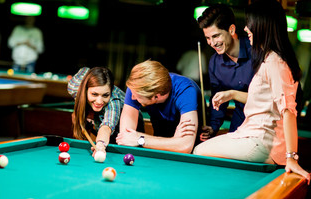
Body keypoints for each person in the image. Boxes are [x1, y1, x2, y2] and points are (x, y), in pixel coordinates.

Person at [193, 0, 310, 183]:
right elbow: (263, 99)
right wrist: (229, 97)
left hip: (260, 140)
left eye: (251, 24)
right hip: (248, 133)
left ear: (263, 26)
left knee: (198, 151)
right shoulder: (267, 58)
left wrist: (291, 158)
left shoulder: (272, 61)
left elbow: (288, 110)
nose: (246, 28)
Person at [116, 60, 202, 153]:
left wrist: (141, 139)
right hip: (159, 141)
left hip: (191, 155)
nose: (132, 97)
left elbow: (185, 146)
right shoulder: (136, 87)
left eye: (137, 96)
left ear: (156, 96)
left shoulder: (186, 91)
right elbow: (125, 137)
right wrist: (175, 141)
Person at [197, 4, 254, 141]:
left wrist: (232, 94)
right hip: (240, 120)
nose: (212, 43)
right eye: (208, 38)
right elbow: (218, 100)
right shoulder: (215, 63)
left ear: (231, 29)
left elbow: (268, 98)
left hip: (266, 121)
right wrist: (213, 127)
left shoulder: (256, 52)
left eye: (216, 36)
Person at [68, 67, 143, 157]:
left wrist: (100, 144)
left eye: (105, 95)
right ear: (85, 89)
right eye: (94, 94)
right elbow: (84, 70)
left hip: (127, 127)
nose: (99, 101)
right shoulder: (74, 86)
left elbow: (107, 126)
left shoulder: (114, 100)